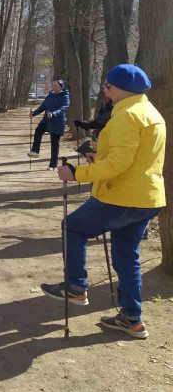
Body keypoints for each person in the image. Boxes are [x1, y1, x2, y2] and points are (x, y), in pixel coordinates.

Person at [40, 64, 165, 339]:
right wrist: (98, 153)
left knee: (72, 226)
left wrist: (76, 174)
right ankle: (132, 319)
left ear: (121, 88)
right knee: (126, 256)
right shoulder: (148, 112)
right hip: (147, 197)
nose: (105, 92)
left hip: (123, 195)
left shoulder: (127, 116)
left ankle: (75, 287)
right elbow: (132, 157)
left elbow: (118, 164)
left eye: (107, 86)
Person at [27, 80, 69, 170]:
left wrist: (54, 113)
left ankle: (53, 165)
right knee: (38, 130)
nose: (53, 86)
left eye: (56, 85)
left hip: (57, 122)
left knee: (54, 143)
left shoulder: (65, 96)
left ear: (61, 87)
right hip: (46, 121)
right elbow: (43, 107)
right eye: (53, 85)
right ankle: (35, 151)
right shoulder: (50, 95)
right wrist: (33, 113)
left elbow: (64, 108)